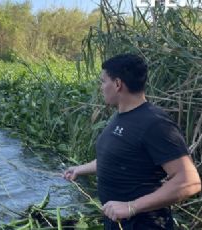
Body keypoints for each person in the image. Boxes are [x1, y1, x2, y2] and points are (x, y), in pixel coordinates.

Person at [63, 54, 201, 229]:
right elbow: (119, 159)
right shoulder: (120, 117)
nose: (101, 87)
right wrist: (79, 169)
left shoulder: (155, 123)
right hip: (117, 222)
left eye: (103, 81)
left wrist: (131, 207)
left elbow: (189, 181)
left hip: (144, 224)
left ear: (118, 84)